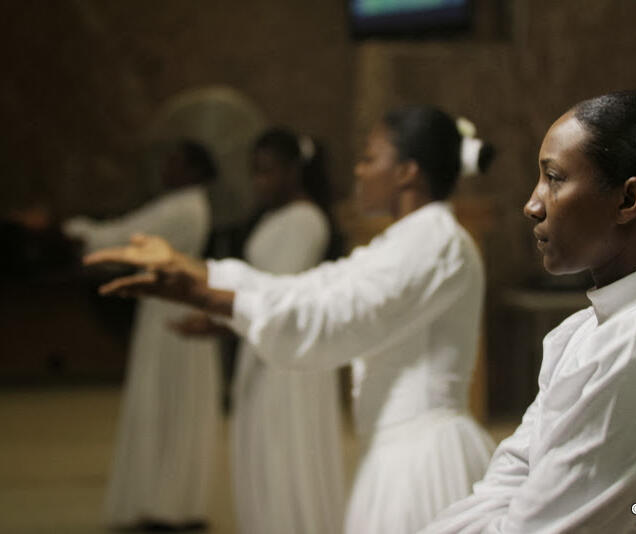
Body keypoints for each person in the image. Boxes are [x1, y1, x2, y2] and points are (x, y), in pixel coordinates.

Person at [83, 105, 497, 534]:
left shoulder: (434, 241)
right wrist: (198, 271)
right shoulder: (410, 239)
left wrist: (202, 292)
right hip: (399, 452)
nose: (359, 170)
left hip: (421, 462)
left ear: (407, 172)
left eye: (371, 158)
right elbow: (314, 288)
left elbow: (335, 317)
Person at [421, 90, 636, 533]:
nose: (532, 204)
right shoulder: (590, 329)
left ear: (628, 200)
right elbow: (508, 480)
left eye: (554, 178)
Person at [173, 128, 346, 534]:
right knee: (261, 451)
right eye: (255, 172)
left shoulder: (305, 220)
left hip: (288, 359)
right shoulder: (274, 216)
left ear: (292, 172)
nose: (259, 182)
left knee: (284, 452)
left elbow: (278, 299)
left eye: (267, 172)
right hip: (261, 345)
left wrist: (218, 323)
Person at [64, 140, 221, 530]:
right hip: (164, 308)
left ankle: (169, 504)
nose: (167, 170)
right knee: (167, 403)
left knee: (168, 403)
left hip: (173, 311)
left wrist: (78, 230)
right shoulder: (183, 204)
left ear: (196, 172)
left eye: (176, 164)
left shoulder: (183, 208)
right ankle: (164, 500)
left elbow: (128, 235)